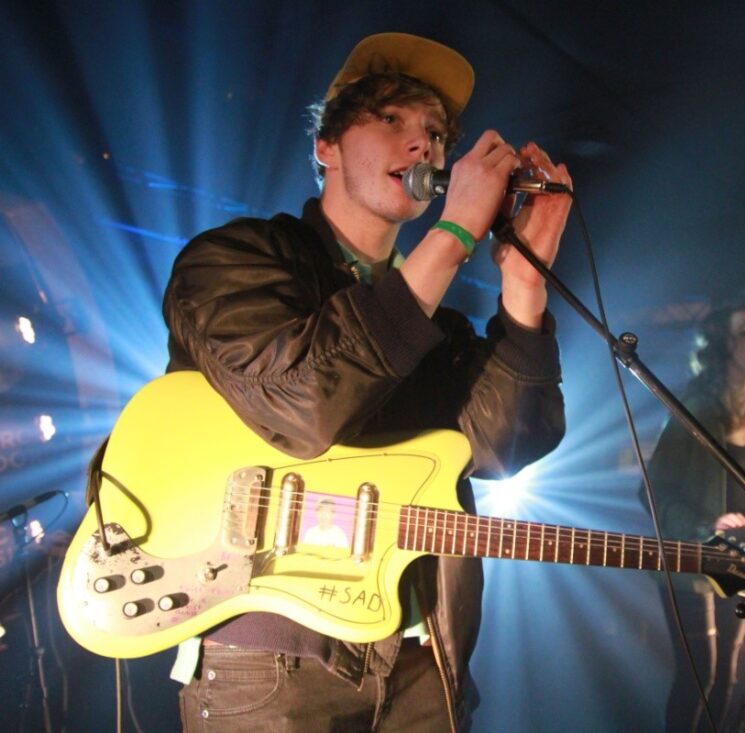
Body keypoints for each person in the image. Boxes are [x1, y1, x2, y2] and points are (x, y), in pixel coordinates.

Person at [164, 32, 571, 732]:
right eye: (393, 121)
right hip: (271, 660)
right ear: (325, 147)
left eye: (436, 133)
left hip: (420, 662)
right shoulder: (234, 261)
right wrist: (453, 235)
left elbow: (504, 444)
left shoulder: (432, 324)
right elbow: (301, 402)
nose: (424, 147)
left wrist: (524, 284)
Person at [642, 305, 745, 732]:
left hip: (742, 561)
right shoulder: (694, 411)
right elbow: (652, 489)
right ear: (720, 346)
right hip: (693, 560)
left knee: (731, 678)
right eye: (744, 332)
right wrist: (706, 528)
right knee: (701, 676)